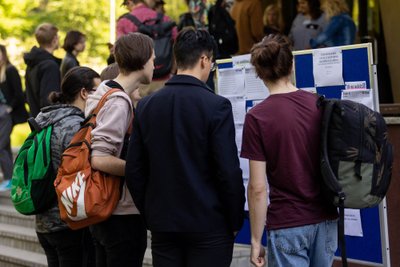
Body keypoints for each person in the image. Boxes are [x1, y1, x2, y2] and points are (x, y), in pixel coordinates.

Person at [125, 28, 245, 267]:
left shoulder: (147, 106)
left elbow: (134, 169)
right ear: (204, 60)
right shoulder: (216, 106)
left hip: (163, 224)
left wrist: (151, 215)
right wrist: (235, 221)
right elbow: (227, 170)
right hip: (210, 224)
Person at [241, 34, 339, 267]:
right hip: (326, 220)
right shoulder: (318, 104)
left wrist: (256, 240)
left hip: (288, 223)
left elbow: (257, 188)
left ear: (259, 73)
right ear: (292, 65)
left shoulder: (257, 117)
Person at [86, 32, 154, 267]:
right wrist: (142, 169)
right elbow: (100, 158)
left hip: (104, 209)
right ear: (143, 61)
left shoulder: (104, 92)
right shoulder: (118, 100)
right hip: (120, 212)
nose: (155, 65)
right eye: (153, 59)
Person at [33, 66, 100, 267]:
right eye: (97, 91)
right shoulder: (75, 125)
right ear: (84, 93)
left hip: (44, 220)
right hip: (68, 223)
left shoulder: (44, 119)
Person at [117, 0, 178, 97]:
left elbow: (121, 54)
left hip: (137, 84)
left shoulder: (124, 22)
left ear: (130, 2)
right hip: (165, 80)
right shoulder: (166, 19)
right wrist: (171, 73)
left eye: (126, 6)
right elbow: (177, 47)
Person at [0, 44, 28, 191]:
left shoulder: (10, 70)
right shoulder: (0, 72)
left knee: (1, 145)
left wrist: (10, 108)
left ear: (4, 55)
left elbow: (19, 93)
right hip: (2, 113)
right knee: (3, 145)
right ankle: (9, 178)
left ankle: (10, 178)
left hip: (7, 113)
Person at [24, 23, 61, 117]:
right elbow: (50, 101)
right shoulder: (50, 66)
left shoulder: (33, 62)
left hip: (36, 119)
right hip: (47, 123)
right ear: (54, 40)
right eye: (58, 36)